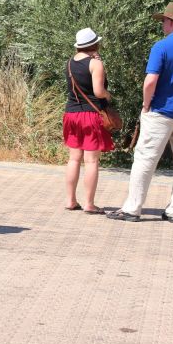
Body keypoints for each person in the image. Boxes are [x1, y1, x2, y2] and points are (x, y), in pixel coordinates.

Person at [107, 2, 173, 223]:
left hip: (162, 111)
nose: (162, 24)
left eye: (164, 20)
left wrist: (146, 104)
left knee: (145, 158)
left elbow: (150, 81)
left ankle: (132, 209)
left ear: (172, 22)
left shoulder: (161, 47)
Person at [62, 28, 113, 214]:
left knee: (74, 159)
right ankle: (89, 204)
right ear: (95, 44)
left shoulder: (69, 63)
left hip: (71, 114)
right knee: (91, 161)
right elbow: (99, 92)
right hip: (90, 115)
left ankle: (70, 200)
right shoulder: (95, 64)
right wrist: (108, 95)